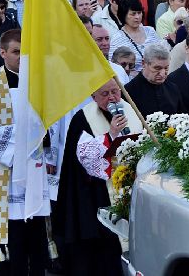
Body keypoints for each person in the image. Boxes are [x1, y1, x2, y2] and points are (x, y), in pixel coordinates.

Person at [0, 29, 50, 275]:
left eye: (25, 52)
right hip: (4, 176)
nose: (21, 57)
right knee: (10, 250)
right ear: (3, 52)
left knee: (36, 246)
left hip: (36, 173)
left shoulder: (40, 85)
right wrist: (23, 139)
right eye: (16, 52)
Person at [55, 78, 143, 276]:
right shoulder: (83, 118)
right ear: (93, 96)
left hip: (130, 186)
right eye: (105, 94)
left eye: (115, 91)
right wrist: (111, 134)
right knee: (105, 252)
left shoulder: (130, 110)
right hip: (98, 193)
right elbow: (84, 159)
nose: (112, 98)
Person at [124, 44, 185, 118]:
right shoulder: (128, 92)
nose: (162, 74)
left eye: (166, 68)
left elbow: (182, 118)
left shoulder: (173, 88)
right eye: (157, 68)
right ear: (144, 63)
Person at [108, 0, 164, 72]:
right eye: (133, 14)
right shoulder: (117, 38)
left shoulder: (150, 31)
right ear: (124, 15)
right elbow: (114, 67)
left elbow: (162, 53)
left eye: (139, 13)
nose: (137, 17)